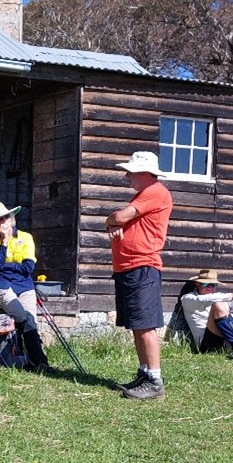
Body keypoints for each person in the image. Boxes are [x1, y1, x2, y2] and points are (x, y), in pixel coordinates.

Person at [105, 150, 174, 400]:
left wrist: (112, 221)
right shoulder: (143, 195)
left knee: (145, 324)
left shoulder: (155, 192)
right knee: (137, 324)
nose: (126, 176)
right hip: (129, 267)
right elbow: (116, 221)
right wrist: (113, 223)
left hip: (142, 266)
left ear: (145, 173)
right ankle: (145, 373)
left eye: (131, 172)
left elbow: (119, 217)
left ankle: (155, 380)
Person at [0, 201, 50, 372]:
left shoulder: (26, 237)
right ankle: (23, 357)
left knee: (31, 322)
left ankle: (39, 362)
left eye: (6, 217)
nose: (4, 221)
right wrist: (4, 242)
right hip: (1, 283)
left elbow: (28, 268)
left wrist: (4, 265)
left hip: (24, 283)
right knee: (21, 317)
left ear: (12, 218)